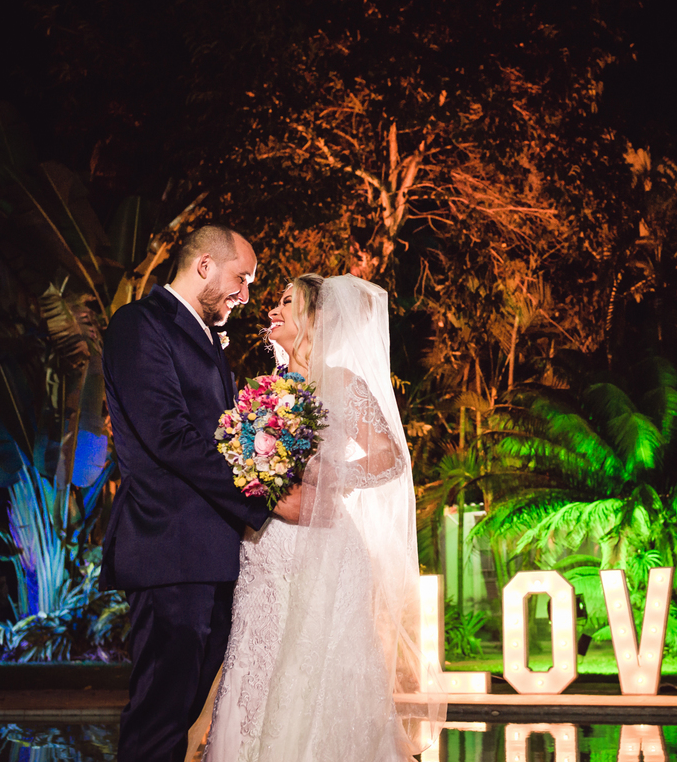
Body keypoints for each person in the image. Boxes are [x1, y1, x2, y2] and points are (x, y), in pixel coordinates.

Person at [205, 274, 445, 762]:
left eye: (286, 302)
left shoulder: (341, 382)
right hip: (265, 547)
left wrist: (331, 471)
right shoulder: (262, 390)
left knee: (319, 664)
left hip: (327, 547)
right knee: (258, 657)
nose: (272, 309)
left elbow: (391, 457)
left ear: (314, 317)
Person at [102, 224, 293, 762]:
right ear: (204, 265)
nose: (247, 294)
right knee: (159, 715)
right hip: (169, 549)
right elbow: (170, 436)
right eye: (243, 278)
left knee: (193, 722)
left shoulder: (210, 338)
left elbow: (224, 436)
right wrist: (262, 498)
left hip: (214, 554)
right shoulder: (139, 325)